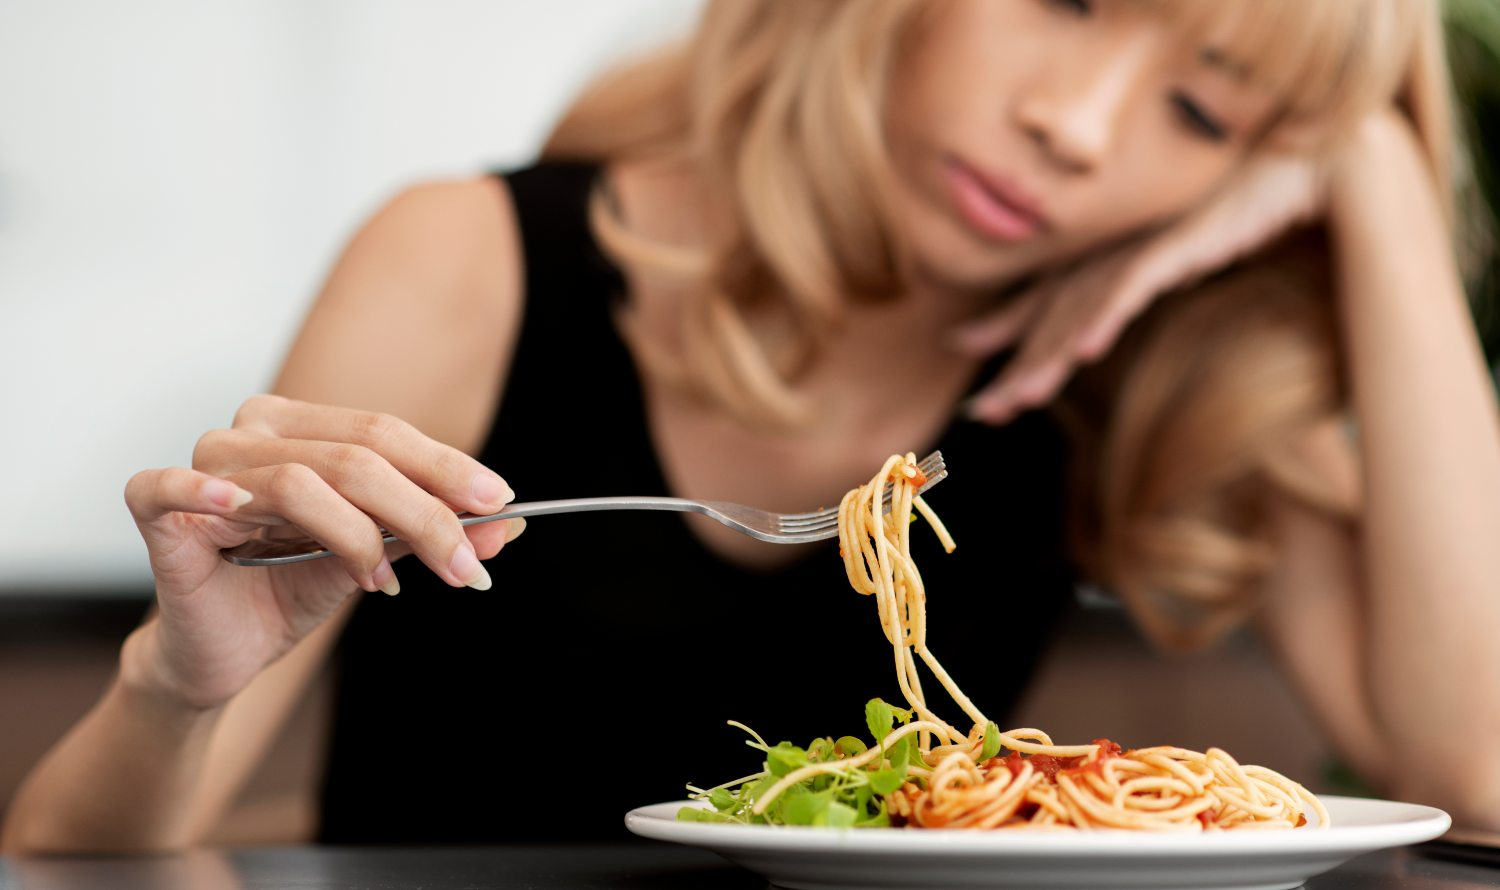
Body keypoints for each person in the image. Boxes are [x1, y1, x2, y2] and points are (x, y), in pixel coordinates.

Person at [5, 0, 1498, 850]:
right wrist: (175, 685)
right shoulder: (469, 260)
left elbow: (1480, 766)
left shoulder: (1149, 369)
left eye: (1208, 114)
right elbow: (76, 854)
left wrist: (1370, 165)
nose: (1081, 128)